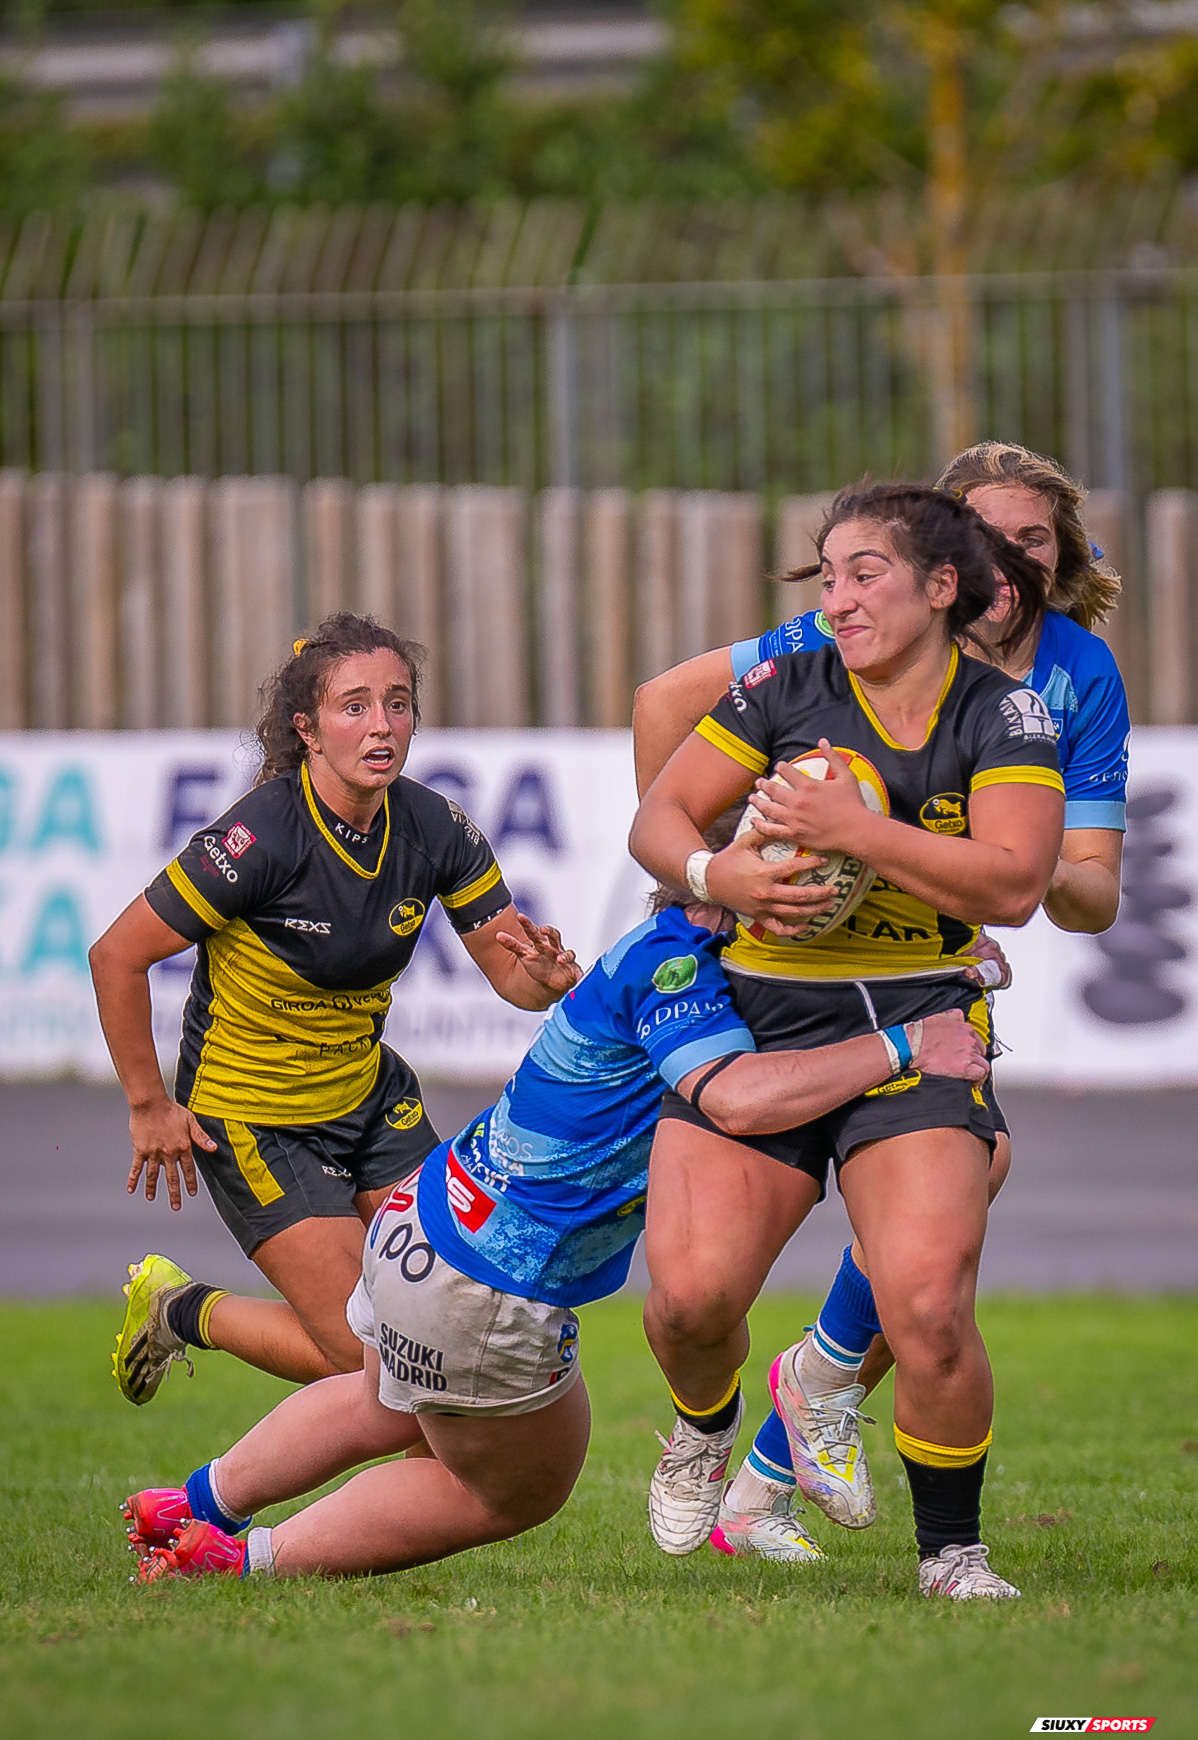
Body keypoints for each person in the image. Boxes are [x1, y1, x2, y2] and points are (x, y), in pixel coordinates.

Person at [120, 859, 990, 1584]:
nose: (821, 897)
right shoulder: (686, 969)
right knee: (505, 1493)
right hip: (487, 1281)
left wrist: (935, 957)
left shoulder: (665, 948)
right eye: (806, 879)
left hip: (424, 1221)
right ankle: (238, 1563)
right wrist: (908, 1044)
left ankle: (192, 1506)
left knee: (384, 1400)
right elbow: (741, 1097)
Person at [631, 443, 1130, 1560]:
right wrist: (714, 879)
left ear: (946, 580)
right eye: (829, 574)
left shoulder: (1045, 696)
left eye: (1030, 539)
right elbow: (663, 775)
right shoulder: (800, 666)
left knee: (933, 1296)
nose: (838, 595)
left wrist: (906, 841)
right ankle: (725, 1430)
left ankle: (946, 1552)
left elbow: (1043, 890)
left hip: (923, 1000)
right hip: (764, 1005)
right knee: (686, 1300)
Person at [91, 613, 580, 1407]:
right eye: (354, 706)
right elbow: (116, 955)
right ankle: (181, 1309)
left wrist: (547, 980)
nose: (382, 725)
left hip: (370, 1099)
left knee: (450, 1321)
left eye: (398, 702)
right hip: (257, 1120)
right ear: (308, 730)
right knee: (374, 1360)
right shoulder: (261, 836)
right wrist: (150, 1105)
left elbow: (511, 975)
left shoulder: (435, 827)